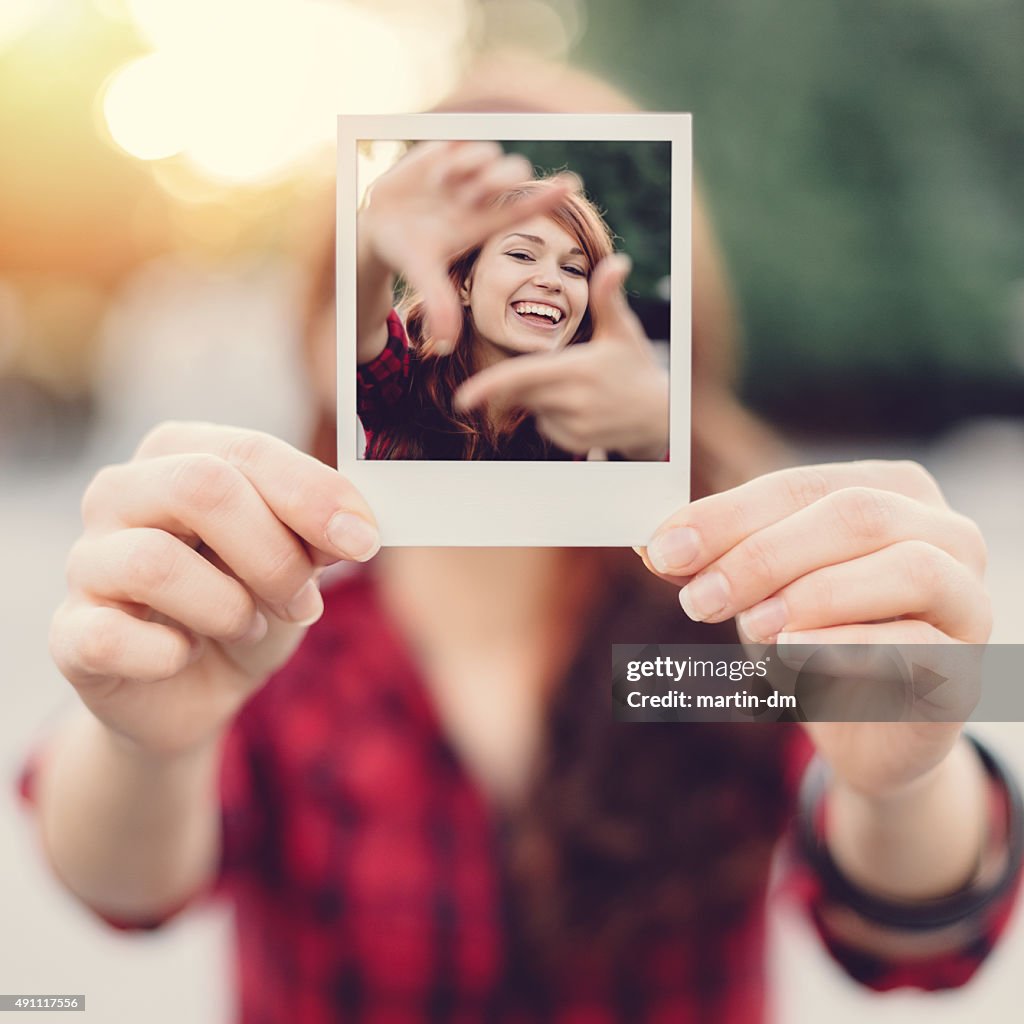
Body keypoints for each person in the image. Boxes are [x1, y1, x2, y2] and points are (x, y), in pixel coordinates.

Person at [23, 55, 1022, 1023]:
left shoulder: (721, 601)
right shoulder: (264, 597)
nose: (552, 276)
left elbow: (917, 937)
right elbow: (125, 886)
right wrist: (143, 746)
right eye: (517, 249)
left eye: (577, 261)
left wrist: (909, 776)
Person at [355, 146, 670, 461]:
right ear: (465, 284)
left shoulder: (597, 425)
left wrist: (654, 429)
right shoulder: (402, 384)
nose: (551, 280)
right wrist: (371, 246)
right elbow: (357, 323)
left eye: (574, 269)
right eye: (522, 255)